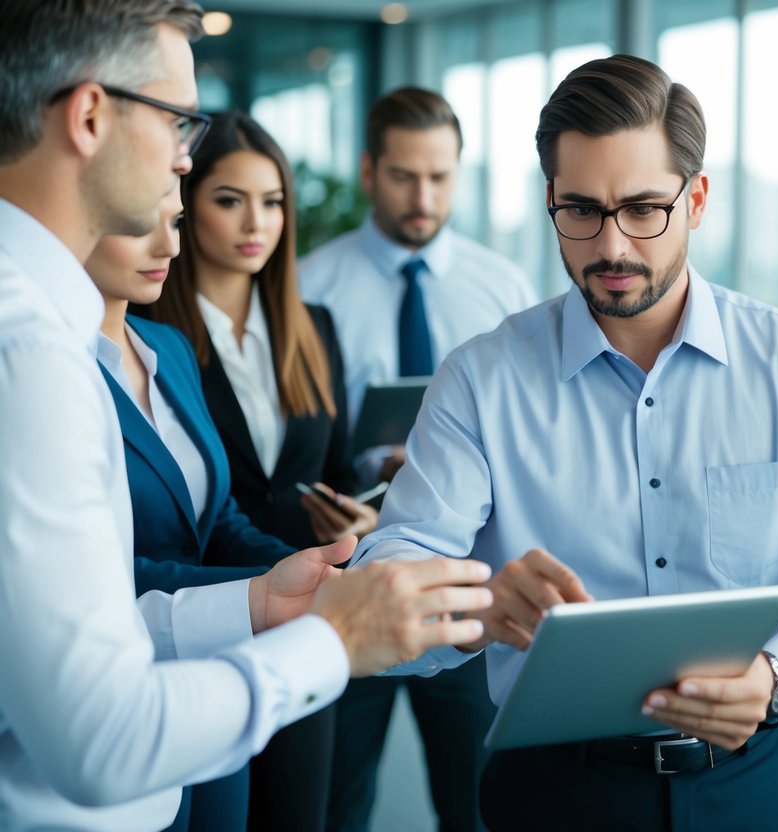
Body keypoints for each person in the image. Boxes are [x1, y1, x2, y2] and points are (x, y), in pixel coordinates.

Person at [354, 54, 778, 831]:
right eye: (580, 210)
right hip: (551, 791)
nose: (611, 245)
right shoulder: (480, 377)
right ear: (549, 200)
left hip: (753, 785)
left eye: (643, 208)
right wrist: (477, 603)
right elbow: (391, 562)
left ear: (696, 199)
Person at [0, 2, 493, 830]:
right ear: (89, 115)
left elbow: (71, 634)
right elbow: (100, 740)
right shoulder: (33, 352)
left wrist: (259, 601)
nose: (186, 162)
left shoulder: (41, 326)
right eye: (178, 121)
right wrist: (336, 641)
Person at [298, 87, 535, 832]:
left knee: (475, 800)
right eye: (404, 175)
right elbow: (283, 439)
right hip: (348, 573)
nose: (423, 195)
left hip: (468, 586)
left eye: (440, 176)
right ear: (369, 170)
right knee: (336, 800)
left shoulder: (504, 289)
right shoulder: (308, 286)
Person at [143, 111, 377, 832]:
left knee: (305, 811)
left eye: (273, 201)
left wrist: (361, 518)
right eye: (229, 199)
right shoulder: (158, 338)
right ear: (187, 201)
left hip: (302, 611)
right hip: (203, 616)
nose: (257, 222)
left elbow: (333, 464)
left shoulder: (315, 328)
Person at [86, 187, 286, 832]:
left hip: (214, 682)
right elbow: (101, 570)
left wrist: (306, 568)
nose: (169, 245)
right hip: (120, 689)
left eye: (173, 222)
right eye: (141, 225)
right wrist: (261, 593)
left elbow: (216, 517)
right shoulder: (48, 372)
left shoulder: (167, 347)